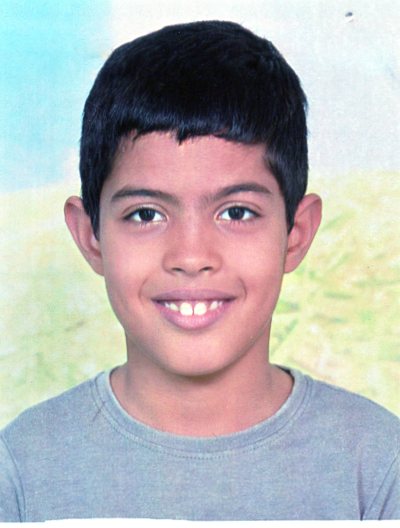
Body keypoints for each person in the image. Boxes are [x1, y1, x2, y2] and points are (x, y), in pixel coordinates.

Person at [0, 20, 398, 522]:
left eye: (237, 212)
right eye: (146, 214)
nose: (191, 256)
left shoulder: (378, 468)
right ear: (90, 235)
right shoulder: (20, 472)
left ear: (296, 233)